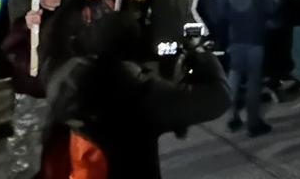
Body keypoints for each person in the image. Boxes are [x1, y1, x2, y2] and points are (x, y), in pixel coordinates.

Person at [42, 13, 230, 178]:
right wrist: (203, 55)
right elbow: (218, 98)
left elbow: (50, 44)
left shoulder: (64, 78)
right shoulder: (144, 94)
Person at [2, 0, 67, 179]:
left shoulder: (65, 19)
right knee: (25, 139)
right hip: (31, 90)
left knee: (54, 140)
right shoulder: (29, 19)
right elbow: (7, 46)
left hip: (57, 90)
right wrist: (25, 28)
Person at [217, 0, 280, 136]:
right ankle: (253, 122)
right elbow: (273, 6)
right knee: (253, 80)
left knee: (234, 77)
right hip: (256, 36)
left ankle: (232, 117)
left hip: (235, 35)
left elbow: (221, 11)